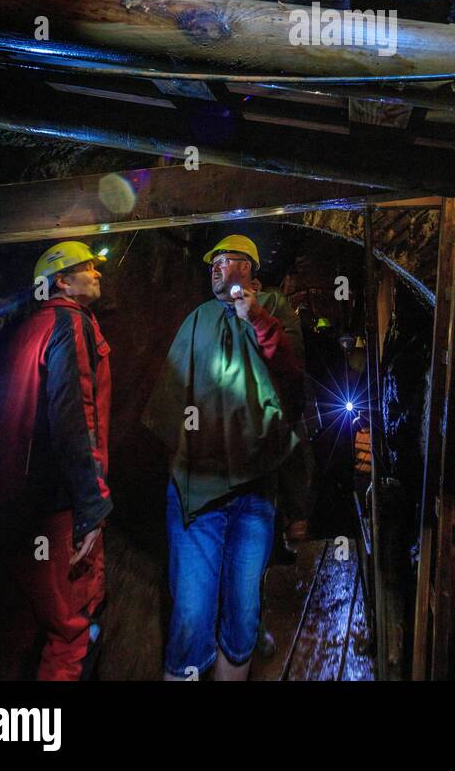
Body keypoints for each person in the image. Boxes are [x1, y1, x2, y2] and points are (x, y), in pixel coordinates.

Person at [143, 234, 304, 682]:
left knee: (243, 610)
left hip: (255, 493)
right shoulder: (197, 319)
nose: (217, 266)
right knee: (192, 613)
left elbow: (292, 384)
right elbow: (168, 404)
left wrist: (252, 314)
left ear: (251, 267)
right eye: (213, 261)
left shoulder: (273, 315)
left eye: (229, 259)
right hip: (199, 494)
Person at [0, 240, 113, 681]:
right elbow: (74, 416)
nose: (97, 274)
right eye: (88, 268)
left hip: (22, 499)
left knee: (34, 618)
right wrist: (92, 505)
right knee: (70, 630)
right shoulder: (70, 324)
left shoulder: (30, 326)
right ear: (62, 281)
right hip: (60, 503)